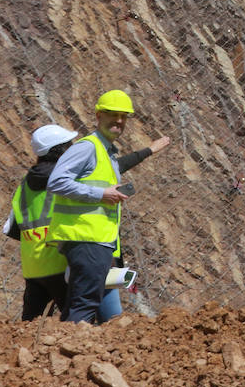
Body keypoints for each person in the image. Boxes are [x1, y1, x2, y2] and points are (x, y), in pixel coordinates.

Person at [47, 90, 169, 324]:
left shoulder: (107, 153)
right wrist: (101, 193)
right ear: (98, 116)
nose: (119, 121)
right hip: (85, 238)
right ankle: (74, 350)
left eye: (124, 116)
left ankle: (66, 349)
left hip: (96, 239)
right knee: (85, 302)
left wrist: (149, 150)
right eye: (113, 115)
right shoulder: (88, 147)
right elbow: (57, 182)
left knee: (80, 301)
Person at [3, 124, 79, 319]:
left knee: (29, 326)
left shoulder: (24, 185)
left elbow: (11, 228)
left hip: (33, 267)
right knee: (78, 324)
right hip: (61, 263)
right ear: (61, 151)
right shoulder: (66, 180)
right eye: (69, 145)